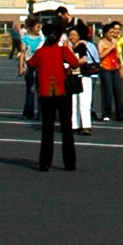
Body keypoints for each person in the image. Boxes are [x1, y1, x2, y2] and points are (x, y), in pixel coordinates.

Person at [29, 24, 77, 171]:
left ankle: (45, 162)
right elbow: (75, 63)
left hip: (46, 93)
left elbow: (31, 64)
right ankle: (69, 163)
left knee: (47, 129)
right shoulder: (63, 50)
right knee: (66, 128)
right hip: (62, 92)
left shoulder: (40, 52)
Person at [98, 24, 123, 123]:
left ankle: (121, 114)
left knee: (118, 92)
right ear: (105, 33)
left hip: (115, 68)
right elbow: (100, 56)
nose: (112, 34)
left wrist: (120, 67)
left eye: (113, 32)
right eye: (110, 32)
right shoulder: (101, 42)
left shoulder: (114, 41)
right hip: (105, 68)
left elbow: (117, 56)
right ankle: (107, 114)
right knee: (108, 92)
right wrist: (110, 48)